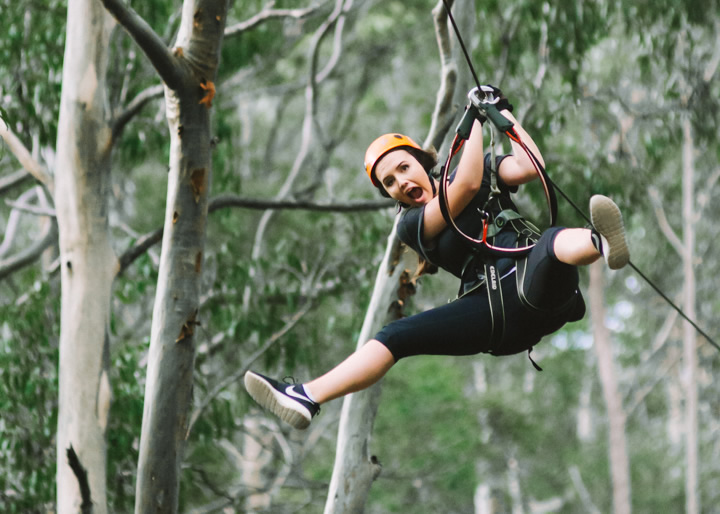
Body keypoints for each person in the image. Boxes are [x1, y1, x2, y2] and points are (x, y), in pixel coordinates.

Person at [244, 85, 630, 430]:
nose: (402, 182)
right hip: (493, 310)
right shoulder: (411, 224)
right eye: (390, 183)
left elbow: (531, 166)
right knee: (396, 336)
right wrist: (476, 117)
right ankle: (306, 396)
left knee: (550, 244)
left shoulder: (479, 170)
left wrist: (502, 111)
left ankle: (599, 243)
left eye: (403, 168)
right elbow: (462, 187)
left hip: (541, 287)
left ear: (420, 161)